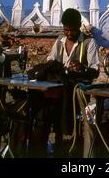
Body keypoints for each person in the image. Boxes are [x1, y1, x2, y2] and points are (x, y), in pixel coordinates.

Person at [30, 8, 100, 157]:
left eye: (71, 30)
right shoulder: (60, 42)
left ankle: (70, 144)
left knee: (69, 118)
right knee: (43, 112)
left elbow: (95, 70)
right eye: (66, 30)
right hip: (58, 89)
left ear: (79, 26)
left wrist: (82, 68)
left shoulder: (89, 42)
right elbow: (50, 60)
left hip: (77, 91)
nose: (68, 33)